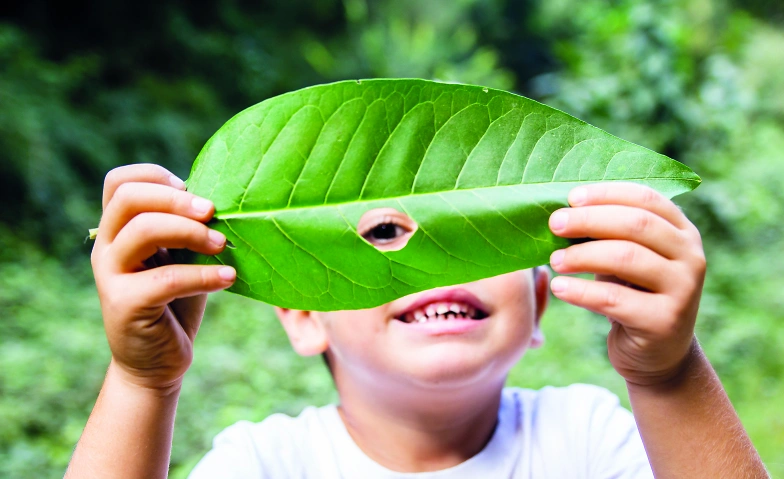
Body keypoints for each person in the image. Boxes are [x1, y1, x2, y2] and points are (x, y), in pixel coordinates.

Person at [65, 163, 768, 478]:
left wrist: (670, 373)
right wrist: (142, 381)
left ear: (539, 306)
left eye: (480, 237)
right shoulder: (264, 465)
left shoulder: (587, 439)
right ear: (305, 315)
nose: (436, 262)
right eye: (384, 235)